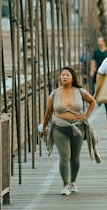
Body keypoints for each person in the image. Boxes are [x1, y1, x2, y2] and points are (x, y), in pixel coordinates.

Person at [40, 67, 96, 196]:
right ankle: (65, 184)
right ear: (60, 78)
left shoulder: (80, 91)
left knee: (75, 158)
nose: (64, 77)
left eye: (67, 75)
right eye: (62, 75)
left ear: (72, 78)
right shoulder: (54, 94)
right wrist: (43, 128)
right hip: (60, 127)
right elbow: (48, 112)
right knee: (65, 156)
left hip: (78, 128)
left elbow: (92, 101)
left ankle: (73, 182)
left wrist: (86, 116)